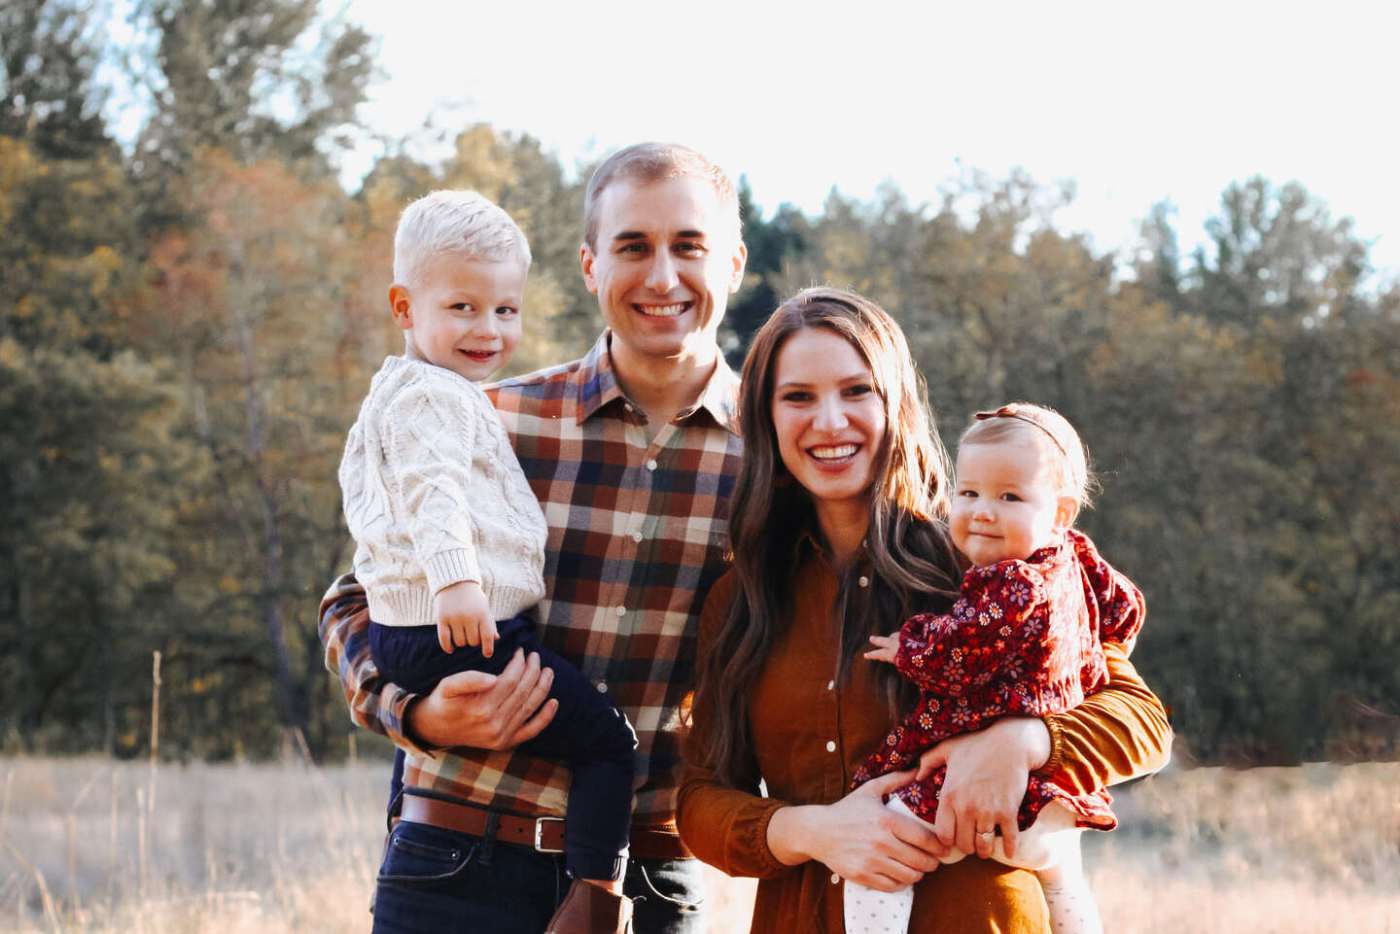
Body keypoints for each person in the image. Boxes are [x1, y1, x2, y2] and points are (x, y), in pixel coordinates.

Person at [320, 143, 748, 934]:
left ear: (734, 262)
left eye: (688, 246)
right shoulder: (484, 415)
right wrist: (414, 714)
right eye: (631, 247)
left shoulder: (772, 457)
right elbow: (354, 600)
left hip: (645, 882)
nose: (661, 277)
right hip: (455, 862)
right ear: (590, 266)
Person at [677, 288, 1172, 933]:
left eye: (858, 391)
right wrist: (811, 831)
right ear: (767, 417)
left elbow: (1142, 721)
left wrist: (1021, 742)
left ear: (896, 404)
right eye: (798, 397)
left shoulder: (991, 561)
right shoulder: (742, 599)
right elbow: (700, 802)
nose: (830, 423)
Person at [337, 189, 640, 931]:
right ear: (405, 307)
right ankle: (598, 899)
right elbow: (430, 496)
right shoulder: (434, 400)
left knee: (579, 728)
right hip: (460, 629)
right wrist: (458, 585)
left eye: (505, 310)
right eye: (463, 308)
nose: (488, 330)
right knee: (608, 743)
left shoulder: (420, 394)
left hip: (438, 630)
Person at [846, 402, 1146, 934]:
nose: (983, 511)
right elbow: (1125, 607)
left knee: (879, 856)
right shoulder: (1076, 556)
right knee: (1064, 882)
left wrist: (907, 646)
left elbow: (960, 654)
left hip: (987, 799)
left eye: (1009, 497)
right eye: (969, 493)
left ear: (1059, 511)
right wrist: (1087, 650)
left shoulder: (1011, 583)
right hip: (1056, 801)